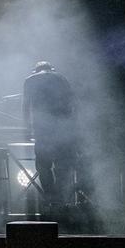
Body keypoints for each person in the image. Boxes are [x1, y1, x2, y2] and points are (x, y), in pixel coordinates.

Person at [21, 62, 75, 207]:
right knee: (62, 165)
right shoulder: (62, 78)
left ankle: (50, 197)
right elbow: (70, 104)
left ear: (36, 70)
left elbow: (26, 106)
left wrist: (26, 128)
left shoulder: (30, 80)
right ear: (51, 69)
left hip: (42, 129)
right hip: (61, 128)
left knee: (43, 165)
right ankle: (61, 198)